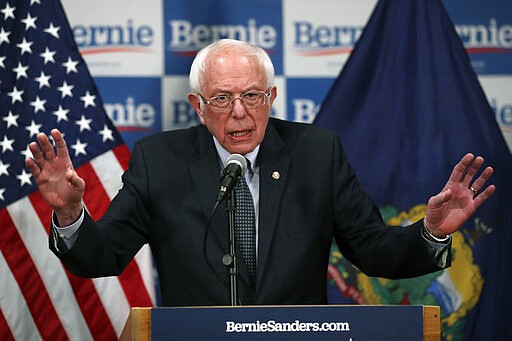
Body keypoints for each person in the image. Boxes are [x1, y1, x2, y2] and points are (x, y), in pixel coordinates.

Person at [26, 39, 495, 306]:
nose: (238, 114)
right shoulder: (159, 161)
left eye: (252, 96)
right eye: (222, 99)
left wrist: (430, 232)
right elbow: (102, 256)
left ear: (271, 99)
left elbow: (373, 250)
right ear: (198, 106)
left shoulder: (316, 153)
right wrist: (70, 214)